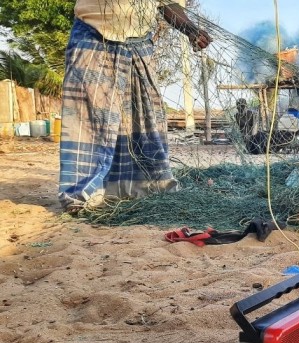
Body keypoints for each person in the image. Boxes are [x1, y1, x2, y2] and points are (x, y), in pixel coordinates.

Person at [58, 0, 211, 213]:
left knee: (143, 118)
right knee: (91, 117)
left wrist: (191, 30)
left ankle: (142, 185)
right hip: (93, 36)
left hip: (139, 45)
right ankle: (82, 193)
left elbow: (168, 4)